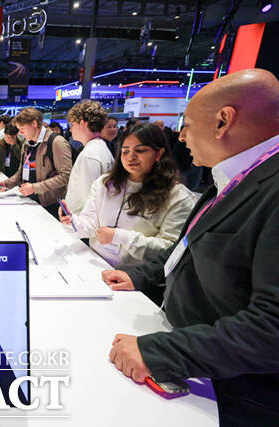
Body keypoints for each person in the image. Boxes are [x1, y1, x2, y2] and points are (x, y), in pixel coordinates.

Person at [103, 69, 279, 425]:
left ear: (223, 121)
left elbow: (271, 329)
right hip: (186, 346)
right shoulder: (233, 177)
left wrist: (161, 351)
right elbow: (188, 246)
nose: (181, 136)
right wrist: (141, 275)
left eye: (187, 125)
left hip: (230, 393)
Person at [59, 123, 195, 269]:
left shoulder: (178, 197)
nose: (131, 157)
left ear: (159, 154)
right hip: (96, 265)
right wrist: (73, 222)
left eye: (140, 150)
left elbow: (171, 248)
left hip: (136, 275)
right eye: (125, 151)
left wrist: (121, 237)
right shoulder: (105, 184)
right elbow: (91, 224)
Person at [0, 108, 72, 219]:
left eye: (22, 129)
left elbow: (65, 176)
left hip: (51, 206)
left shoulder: (57, 143)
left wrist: (35, 188)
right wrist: (7, 183)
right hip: (30, 201)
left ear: (34, 123)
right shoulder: (27, 144)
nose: (20, 133)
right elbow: (22, 172)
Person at [65, 100, 114, 215]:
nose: (70, 129)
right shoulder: (102, 148)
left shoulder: (89, 155)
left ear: (82, 123)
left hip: (81, 221)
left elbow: (88, 200)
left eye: (72, 125)